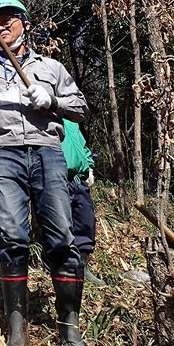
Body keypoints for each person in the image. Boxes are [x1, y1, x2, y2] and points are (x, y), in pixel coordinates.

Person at [0, 0, 89, 346]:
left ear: (24, 23)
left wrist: (52, 100)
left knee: (62, 236)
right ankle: (18, 330)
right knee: (13, 236)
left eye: (9, 19)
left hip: (47, 152)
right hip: (4, 153)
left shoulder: (51, 67)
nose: (3, 25)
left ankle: (69, 324)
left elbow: (80, 108)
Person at [61, 119, 105, 285]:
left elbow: (83, 148)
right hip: (59, 178)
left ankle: (82, 266)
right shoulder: (47, 118)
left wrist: (90, 167)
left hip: (79, 180)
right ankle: (63, 267)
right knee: (61, 223)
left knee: (85, 221)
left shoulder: (72, 123)